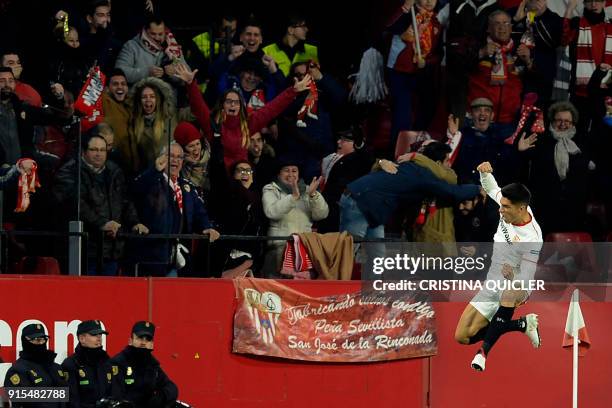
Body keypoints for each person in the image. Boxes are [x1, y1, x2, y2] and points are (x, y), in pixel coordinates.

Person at [454, 161, 542, 372]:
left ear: (521, 209)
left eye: (506, 207)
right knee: (462, 336)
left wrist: (513, 278)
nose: (500, 210)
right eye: (501, 205)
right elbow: (492, 187)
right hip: (493, 280)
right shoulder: (507, 204)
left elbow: (528, 274)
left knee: (512, 290)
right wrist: (485, 172)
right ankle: (522, 325)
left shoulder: (532, 237)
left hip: (516, 284)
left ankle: (483, 354)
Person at [53, 132, 149, 275]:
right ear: (84, 151)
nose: (99, 154)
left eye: (102, 150)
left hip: (112, 250)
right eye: (94, 150)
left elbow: (125, 200)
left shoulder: (115, 171)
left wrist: (135, 222)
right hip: (83, 250)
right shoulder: (69, 171)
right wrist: (102, 224)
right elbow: (76, 204)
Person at [130, 143, 220, 277]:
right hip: (154, 256)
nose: (175, 160)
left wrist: (206, 227)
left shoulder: (187, 187)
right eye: (171, 156)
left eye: (179, 157)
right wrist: (155, 170)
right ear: (161, 158)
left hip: (180, 257)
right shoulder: (152, 180)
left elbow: (199, 213)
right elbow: (136, 191)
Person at [262, 160, 329, 277]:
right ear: (278, 174)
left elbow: (321, 215)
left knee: (301, 290)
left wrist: (314, 195)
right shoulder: (271, 189)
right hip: (279, 249)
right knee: (275, 290)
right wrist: (293, 197)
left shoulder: (308, 190)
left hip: (305, 249)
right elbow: (272, 212)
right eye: (286, 171)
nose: (291, 174)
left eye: (294, 171)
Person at [110, 321, 177, 407]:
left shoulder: (153, 365)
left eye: (148, 339)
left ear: (152, 344)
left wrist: (161, 397)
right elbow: (116, 396)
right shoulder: (118, 363)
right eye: (140, 338)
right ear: (130, 341)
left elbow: (171, 388)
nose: (143, 343)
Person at [3, 323, 68, 407]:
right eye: (37, 340)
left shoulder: (56, 368)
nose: (41, 343)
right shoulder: (18, 370)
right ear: (25, 341)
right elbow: (18, 403)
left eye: (43, 339)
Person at [61, 320, 116, 408]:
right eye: (94, 335)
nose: (99, 338)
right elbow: (72, 402)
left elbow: (114, 394)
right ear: (81, 338)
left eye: (100, 334)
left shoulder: (107, 362)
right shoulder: (70, 364)